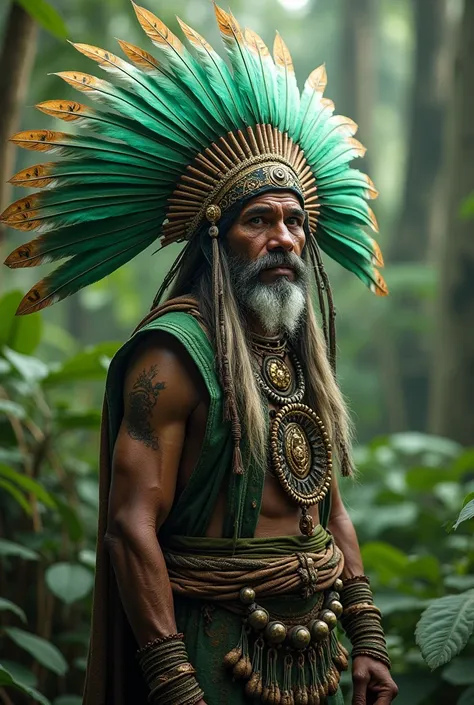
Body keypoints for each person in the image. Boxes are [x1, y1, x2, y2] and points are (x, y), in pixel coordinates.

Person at [2, 4, 398, 705]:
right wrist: (174, 676)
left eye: (295, 221)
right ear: (218, 237)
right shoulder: (173, 355)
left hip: (320, 653)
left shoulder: (297, 350)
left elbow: (330, 508)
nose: (285, 237)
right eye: (260, 219)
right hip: (210, 652)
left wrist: (366, 637)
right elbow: (132, 527)